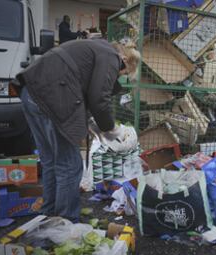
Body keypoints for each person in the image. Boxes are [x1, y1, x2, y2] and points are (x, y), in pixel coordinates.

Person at [14, 38, 141, 222]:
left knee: (51, 160)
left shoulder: (95, 48)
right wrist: (112, 131)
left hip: (31, 93)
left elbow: (84, 92)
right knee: (70, 165)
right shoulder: (111, 56)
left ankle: (48, 213)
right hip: (53, 98)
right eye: (123, 73)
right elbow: (98, 100)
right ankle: (65, 222)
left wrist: (94, 127)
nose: (119, 76)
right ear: (125, 61)